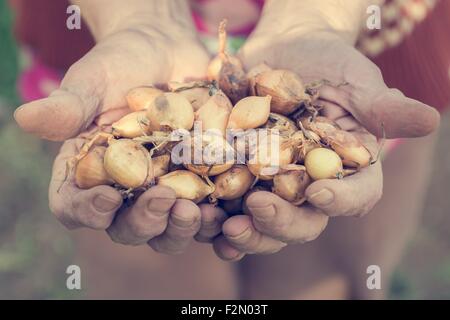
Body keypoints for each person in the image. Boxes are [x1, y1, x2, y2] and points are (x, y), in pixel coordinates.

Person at [12, 0, 448, 299]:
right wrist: (136, 19)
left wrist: (316, 18)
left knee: (327, 274)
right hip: (108, 20)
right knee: (150, 275)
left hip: (358, 29)